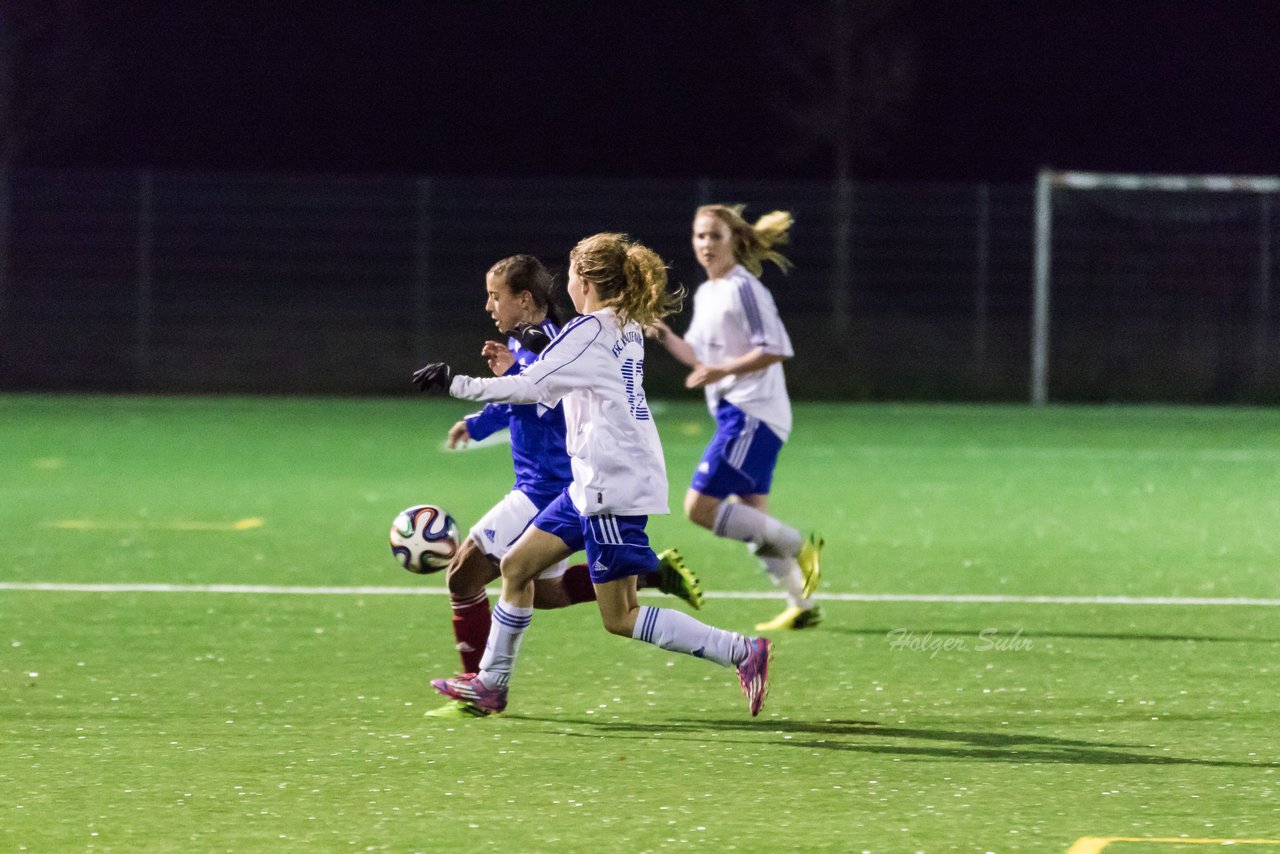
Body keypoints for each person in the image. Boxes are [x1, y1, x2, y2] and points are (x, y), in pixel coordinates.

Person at [413, 233, 773, 717]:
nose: (565, 283)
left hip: (610, 486)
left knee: (620, 617)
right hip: (593, 483)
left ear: (584, 280)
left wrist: (454, 381)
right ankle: (491, 685)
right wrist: (540, 348)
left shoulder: (589, 332)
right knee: (517, 568)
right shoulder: (621, 322)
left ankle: (742, 652)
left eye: (569, 274)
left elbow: (529, 387)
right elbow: (564, 375)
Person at [647, 204, 823, 632]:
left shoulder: (745, 288)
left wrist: (723, 371)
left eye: (715, 236)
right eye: (700, 236)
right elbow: (699, 358)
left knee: (699, 507)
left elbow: (776, 347)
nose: (706, 244)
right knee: (753, 520)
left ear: (733, 242)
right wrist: (663, 333)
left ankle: (802, 545)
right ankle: (802, 604)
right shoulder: (708, 292)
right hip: (739, 412)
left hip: (751, 413)